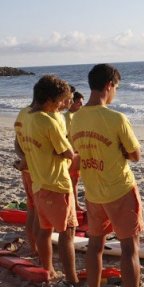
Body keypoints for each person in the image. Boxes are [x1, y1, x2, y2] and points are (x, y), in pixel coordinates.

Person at [70, 64, 143, 287]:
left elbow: (78, 152)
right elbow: (135, 154)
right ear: (109, 85)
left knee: (95, 246)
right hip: (120, 189)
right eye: (116, 88)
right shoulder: (116, 118)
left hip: (93, 192)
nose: (115, 93)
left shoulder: (76, 118)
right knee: (130, 247)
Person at [20, 75, 78, 285]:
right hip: (58, 184)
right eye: (62, 101)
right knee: (67, 234)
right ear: (50, 100)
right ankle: (72, 279)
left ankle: (48, 269)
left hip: (39, 183)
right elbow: (68, 153)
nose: (64, 105)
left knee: (45, 231)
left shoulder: (27, 118)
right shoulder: (48, 121)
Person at [13, 100, 39, 255]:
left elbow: (17, 141)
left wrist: (23, 160)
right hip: (38, 172)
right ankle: (37, 250)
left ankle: (34, 248)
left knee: (32, 208)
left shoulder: (22, 113)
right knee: (39, 212)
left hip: (27, 170)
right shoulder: (40, 117)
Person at [64, 91, 85, 211]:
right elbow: (64, 136)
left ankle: (75, 204)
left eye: (82, 103)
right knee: (73, 181)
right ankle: (74, 205)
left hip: (77, 152)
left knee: (75, 180)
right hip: (72, 153)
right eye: (78, 103)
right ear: (71, 103)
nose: (80, 106)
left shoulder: (76, 116)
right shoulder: (68, 117)